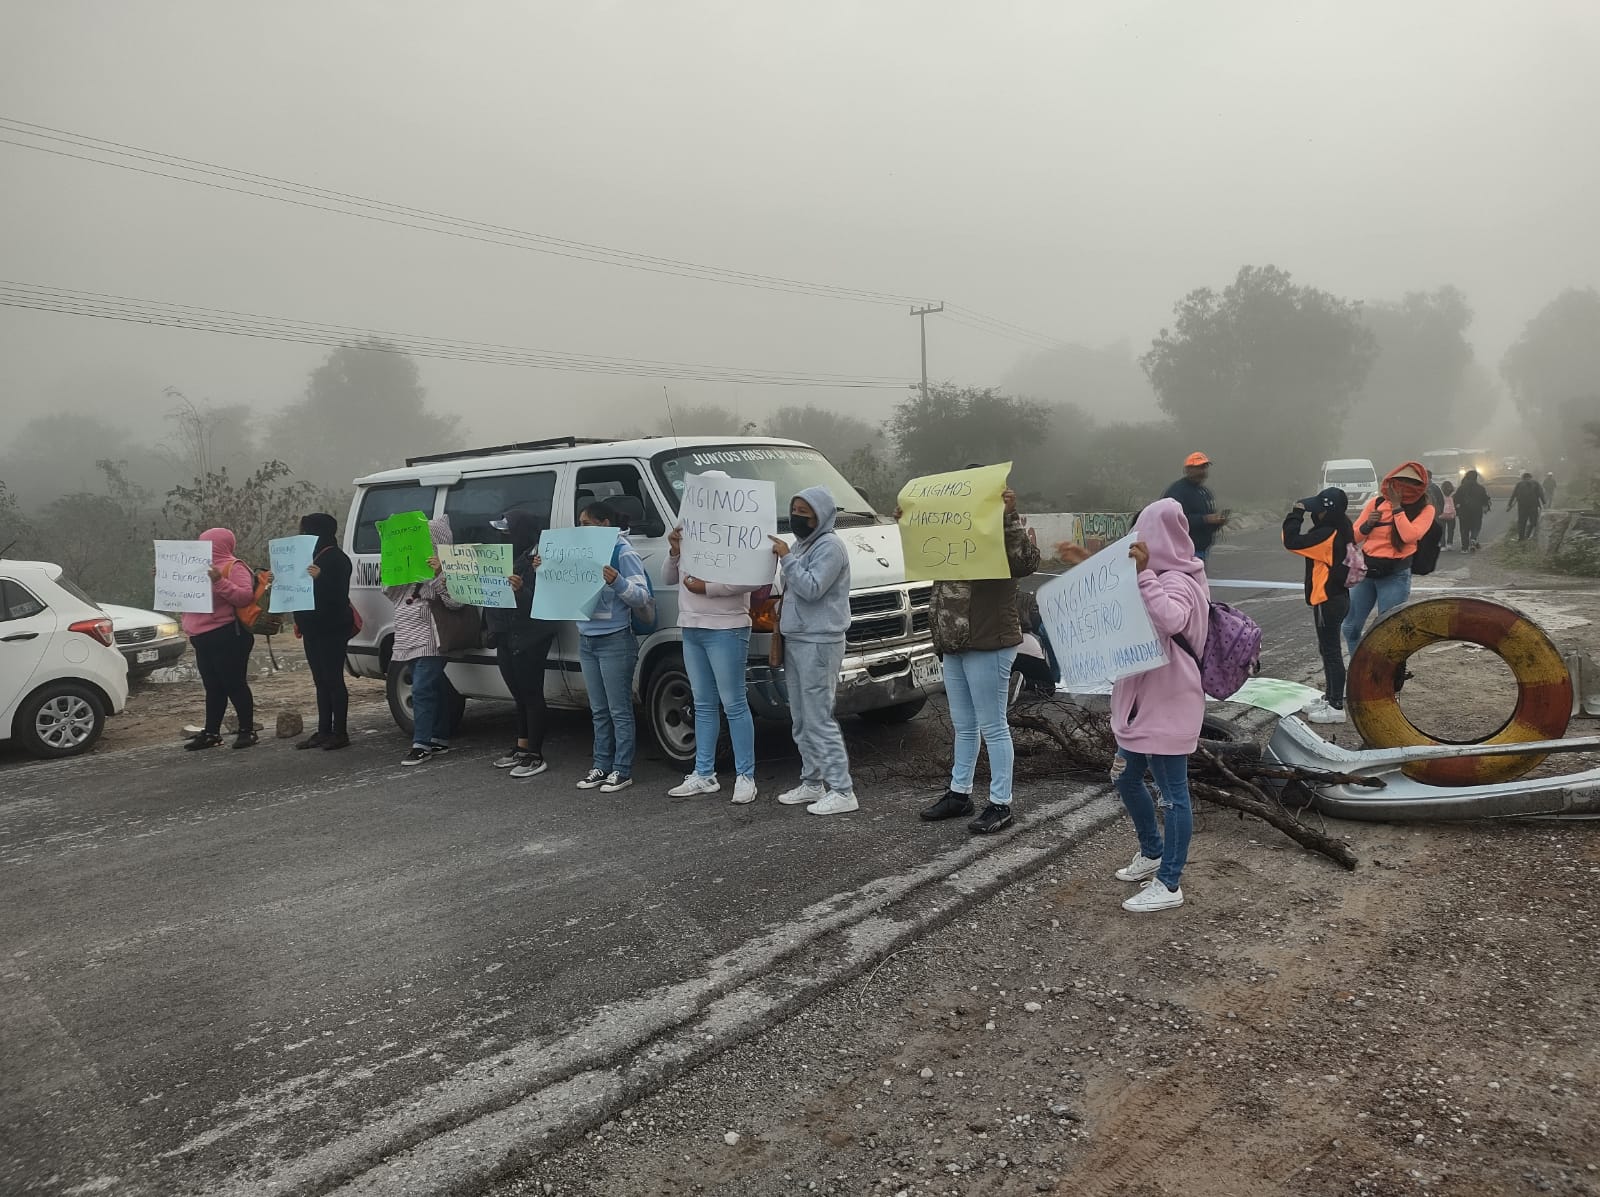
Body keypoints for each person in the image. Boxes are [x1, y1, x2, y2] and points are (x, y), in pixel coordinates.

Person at [1066, 498, 1208, 913]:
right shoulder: (1150, 575)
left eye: (1142, 535)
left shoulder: (1182, 580)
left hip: (1167, 707)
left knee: (1173, 796)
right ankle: (1152, 851)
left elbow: (1170, 621)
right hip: (1137, 708)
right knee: (1125, 779)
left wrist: (1144, 575)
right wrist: (1086, 566)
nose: (1135, 544)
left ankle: (1169, 882)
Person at [906, 473, 1040, 835]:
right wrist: (910, 519)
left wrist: (1010, 517)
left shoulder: (999, 530)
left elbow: (1025, 562)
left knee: (993, 725)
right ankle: (959, 793)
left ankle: (1001, 803)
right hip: (954, 643)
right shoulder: (950, 531)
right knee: (964, 725)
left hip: (989, 641)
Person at [662, 477, 761, 804]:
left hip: (728, 626)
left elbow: (755, 577)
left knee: (734, 703)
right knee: (703, 703)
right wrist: (674, 552)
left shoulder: (742, 528)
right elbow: (668, 577)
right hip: (691, 626)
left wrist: (710, 588)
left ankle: (746, 775)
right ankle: (704, 773)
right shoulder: (687, 526)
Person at [770, 486, 856, 816]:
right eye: (795, 511)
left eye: (805, 513)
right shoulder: (801, 544)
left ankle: (842, 789)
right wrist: (787, 557)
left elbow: (811, 589)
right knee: (802, 717)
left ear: (821, 516)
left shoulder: (830, 546)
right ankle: (812, 781)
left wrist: (787, 559)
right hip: (798, 639)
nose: (797, 518)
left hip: (821, 641)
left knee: (819, 718)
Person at [571, 499, 653, 793]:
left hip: (615, 639)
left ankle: (622, 769)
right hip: (587, 640)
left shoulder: (622, 551)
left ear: (605, 524)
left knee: (619, 709)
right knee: (598, 710)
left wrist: (617, 582)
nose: (582, 529)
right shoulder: (578, 553)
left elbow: (641, 597)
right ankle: (600, 765)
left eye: (587, 523)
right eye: (579, 524)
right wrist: (545, 569)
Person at [488, 509, 560, 781]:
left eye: (508, 531)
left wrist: (522, 590)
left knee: (531, 694)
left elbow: (548, 603)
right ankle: (521, 745)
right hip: (506, 634)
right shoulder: (505, 560)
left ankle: (535, 754)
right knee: (517, 694)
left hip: (531, 635)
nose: (503, 536)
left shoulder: (540, 561)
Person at [385, 515, 462, 766]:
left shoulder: (450, 567)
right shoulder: (409, 568)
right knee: (434, 685)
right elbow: (391, 594)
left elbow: (456, 601)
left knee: (421, 687)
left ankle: (421, 743)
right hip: (407, 633)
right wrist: (393, 569)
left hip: (433, 636)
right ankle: (440, 736)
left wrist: (440, 573)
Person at [1343, 461, 1436, 657]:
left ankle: (1385, 676)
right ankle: (1358, 671)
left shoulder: (1425, 510)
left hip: (1395, 575)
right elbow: (1353, 537)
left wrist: (1396, 507)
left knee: (1388, 631)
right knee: (1350, 627)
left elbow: (1410, 536)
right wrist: (1368, 525)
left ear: (1420, 486)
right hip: (1367, 573)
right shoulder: (1375, 504)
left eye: (1410, 482)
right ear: (1391, 482)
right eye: (1399, 480)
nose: (1403, 486)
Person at [181, 527, 259, 751]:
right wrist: (166, 578)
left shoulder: (234, 567)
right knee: (213, 687)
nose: (204, 546)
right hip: (201, 637)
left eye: (208, 543)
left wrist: (219, 581)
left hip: (227, 636)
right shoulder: (192, 567)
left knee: (234, 685)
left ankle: (247, 731)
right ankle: (212, 733)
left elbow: (245, 597)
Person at [1282, 488, 1355, 725]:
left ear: (1327, 510)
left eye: (1317, 509)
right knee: (1327, 650)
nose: (1314, 513)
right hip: (1336, 597)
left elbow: (1291, 541)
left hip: (1328, 599)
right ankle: (1330, 697)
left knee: (1332, 653)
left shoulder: (1327, 534)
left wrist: (1295, 514)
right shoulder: (1341, 526)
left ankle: (1335, 707)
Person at [292, 513, 354, 750]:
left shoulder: (337, 559)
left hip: (333, 628)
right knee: (320, 681)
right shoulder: (307, 557)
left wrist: (321, 578)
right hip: (312, 628)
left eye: (307, 531)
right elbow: (299, 590)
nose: (303, 535)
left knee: (334, 680)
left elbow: (339, 596)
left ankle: (340, 732)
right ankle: (323, 730)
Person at [1161, 452, 1228, 562]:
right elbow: (1172, 520)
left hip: (1202, 551)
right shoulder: (1177, 491)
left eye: (1204, 467)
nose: (1202, 471)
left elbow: (1207, 522)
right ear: (1187, 470)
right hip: (1183, 553)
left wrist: (1217, 522)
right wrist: (1205, 519)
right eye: (1198, 468)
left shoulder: (1205, 492)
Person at [1455, 469, 1490, 553]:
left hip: (1464, 511)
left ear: (1466, 477)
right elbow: (1485, 500)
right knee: (1476, 527)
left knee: (1464, 529)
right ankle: (1473, 539)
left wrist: (1457, 508)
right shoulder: (1481, 488)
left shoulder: (1461, 488)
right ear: (1476, 478)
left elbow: (1456, 499)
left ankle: (1464, 548)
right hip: (1477, 511)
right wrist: (1485, 507)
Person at [1510, 471, 1544, 541]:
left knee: (1522, 522)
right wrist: (1543, 503)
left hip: (1522, 506)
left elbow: (1514, 495)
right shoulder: (1536, 483)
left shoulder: (1519, 484)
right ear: (1530, 477)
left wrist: (1509, 504)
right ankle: (1529, 535)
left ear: (1523, 478)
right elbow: (1541, 493)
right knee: (1533, 521)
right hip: (1533, 505)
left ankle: (1521, 538)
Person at [1437, 480, 1458, 549]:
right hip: (1451, 514)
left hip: (1441, 514)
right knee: (1451, 529)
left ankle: (1443, 545)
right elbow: (1456, 503)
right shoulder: (1454, 494)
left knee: (1442, 530)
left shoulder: (1440, 493)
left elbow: (1438, 503)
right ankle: (1449, 544)